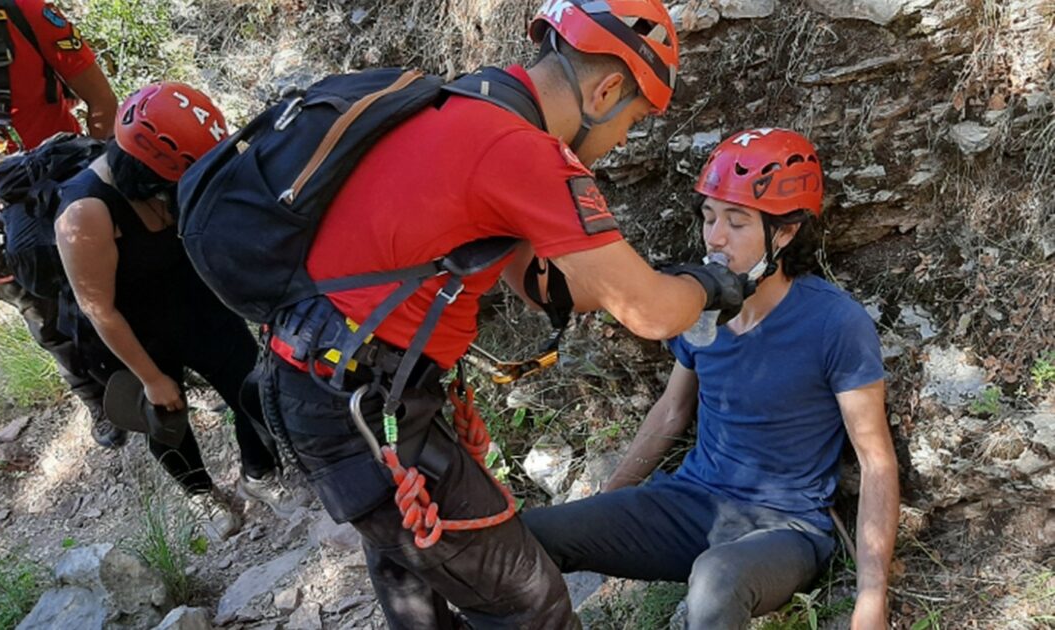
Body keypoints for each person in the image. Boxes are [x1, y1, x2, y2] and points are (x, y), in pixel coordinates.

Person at [260, 1, 755, 627]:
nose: (623, 140)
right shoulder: (524, 151)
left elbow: (535, 285)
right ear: (605, 89)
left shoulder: (474, 101)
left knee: (411, 566)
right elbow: (653, 314)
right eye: (631, 119)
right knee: (530, 602)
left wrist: (619, 281)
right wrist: (706, 283)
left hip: (322, 379)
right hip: (359, 403)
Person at [522, 128, 900, 630]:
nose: (715, 237)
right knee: (524, 535)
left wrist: (871, 597)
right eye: (709, 217)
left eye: (737, 222)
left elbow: (876, 462)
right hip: (691, 504)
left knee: (716, 578)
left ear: (784, 233)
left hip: (785, 529)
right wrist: (608, 501)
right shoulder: (700, 306)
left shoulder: (835, 323)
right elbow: (672, 412)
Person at [54, 82, 303, 539]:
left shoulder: (179, 173)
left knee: (250, 384)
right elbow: (99, 308)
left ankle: (259, 473)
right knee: (164, 418)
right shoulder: (85, 213)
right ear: (151, 171)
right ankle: (197, 492)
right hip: (129, 327)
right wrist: (150, 377)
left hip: (195, 300)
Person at [0, 0, 120, 446]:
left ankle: (165, 364)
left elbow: (101, 99)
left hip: (61, 173)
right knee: (36, 307)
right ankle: (96, 398)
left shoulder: (22, 14)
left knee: (118, 275)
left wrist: (103, 175)